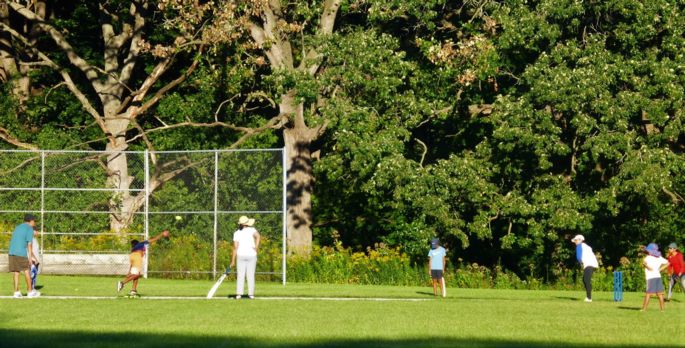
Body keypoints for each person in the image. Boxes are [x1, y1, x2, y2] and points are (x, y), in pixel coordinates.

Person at [117, 230, 169, 297]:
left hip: (133, 257)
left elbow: (132, 263)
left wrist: (129, 271)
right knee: (137, 275)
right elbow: (154, 239)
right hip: (137, 257)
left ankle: (133, 290)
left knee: (136, 275)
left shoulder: (133, 249)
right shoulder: (141, 243)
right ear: (138, 243)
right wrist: (162, 234)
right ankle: (122, 283)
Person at [8, 214, 40, 298]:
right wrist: (30, 258)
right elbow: (29, 244)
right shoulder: (29, 229)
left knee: (16, 272)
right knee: (27, 271)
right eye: (34, 221)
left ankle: (16, 292)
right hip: (21, 252)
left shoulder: (18, 227)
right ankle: (30, 292)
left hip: (12, 252)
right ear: (31, 221)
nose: (34, 223)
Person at [230, 215, 260, 299]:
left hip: (241, 255)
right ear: (247, 223)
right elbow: (258, 236)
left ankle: (239, 294)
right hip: (251, 255)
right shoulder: (252, 230)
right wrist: (256, 246)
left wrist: (232, 261)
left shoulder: (236, 233)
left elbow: (235, 248)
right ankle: (251, 294)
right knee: (250, 275)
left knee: (240, 275)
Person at [641, 243, 669, 311]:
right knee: (660, 294)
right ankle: (662, 310)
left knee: (648, 294)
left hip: (651, 277)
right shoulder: (659, 257)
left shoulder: (647, 258)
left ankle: (644, 309)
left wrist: (647, 266)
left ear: (650, 251)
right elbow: (668, 263)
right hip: (658, 276)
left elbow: (644, 264)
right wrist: (660, 269)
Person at [571, 235, 598, 302]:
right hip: (592, 264)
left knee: (586, 280)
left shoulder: (579, 246)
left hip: (588, 264)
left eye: (576, 240)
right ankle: (589, 297)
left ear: (580, 240)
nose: (575, 242)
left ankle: (589, 298)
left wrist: (581, 263)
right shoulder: (586, 246)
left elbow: (579, 257)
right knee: (585, 279)